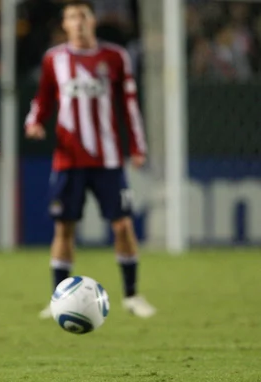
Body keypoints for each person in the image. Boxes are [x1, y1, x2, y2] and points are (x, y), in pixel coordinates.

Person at [24, 0, 156, 319]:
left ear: (93, 21)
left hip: (108, 159)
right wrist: (35, 121)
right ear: (65, 24)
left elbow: (129, 105)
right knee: (64, 228)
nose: (78, 22)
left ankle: (132, 295)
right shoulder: (54, 58)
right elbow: (43, 97)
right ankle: (58, 299)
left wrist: (137, 146)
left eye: (83, 16)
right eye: (72, 17)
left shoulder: (115, 57)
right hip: (68, 160)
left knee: (123, 224)